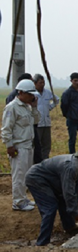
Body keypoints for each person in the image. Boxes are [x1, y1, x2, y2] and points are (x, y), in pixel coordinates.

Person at [25, 143, 78, 246]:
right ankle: (42, 243)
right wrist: (75, 213)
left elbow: (77, 187)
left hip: (51, 180)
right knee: (50, 208)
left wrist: (77, 202)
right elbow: (68, 191)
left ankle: (69, 226)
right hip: (37, 179)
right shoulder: (71, 167)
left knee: (63, 200)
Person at [1, 80, 39, 211]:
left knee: (26, 174)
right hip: (18, 147)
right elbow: (6, 129)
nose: (32, 97)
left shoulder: (27, 107)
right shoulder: (12, 107)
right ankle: (17, 202)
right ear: (21, 93)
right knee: (19, 175)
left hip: (28, 145)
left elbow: (36, 120)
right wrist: (9, 146)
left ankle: (23, 198)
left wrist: (34, 107)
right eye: (30, 94)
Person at [34, 74, 59, 160]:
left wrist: (50, 107)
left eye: (43, 82)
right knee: (37, 144)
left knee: (46, 144)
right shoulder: (33, 94)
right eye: (40, 83)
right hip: (37, 123)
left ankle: (45, 160)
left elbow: (57, 100)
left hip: (46, 123)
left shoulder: (48, 92)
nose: (42, 84)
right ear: (35, 83)